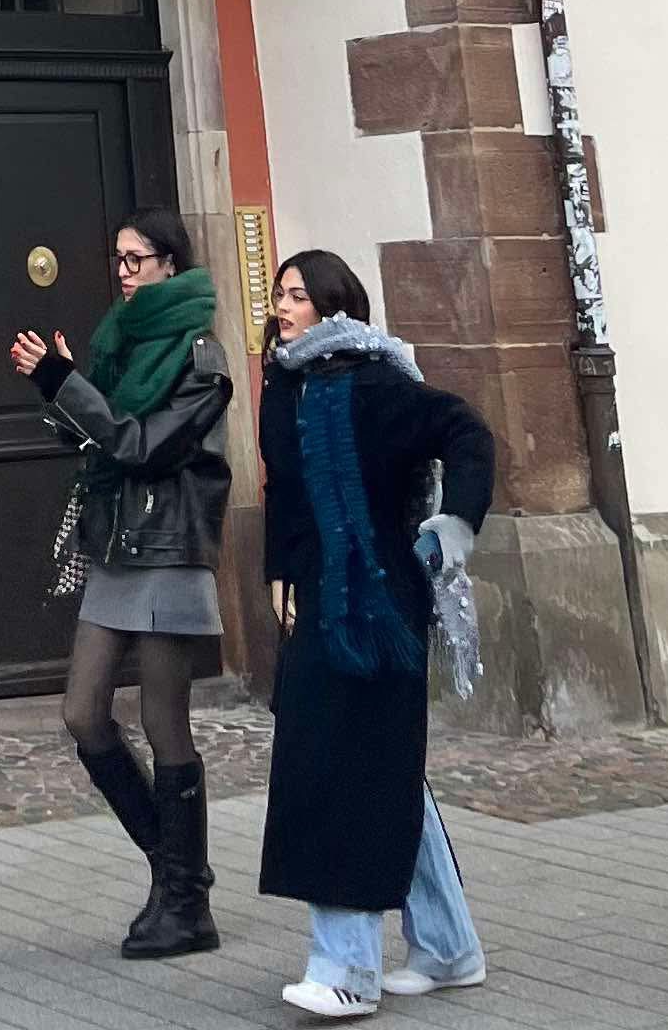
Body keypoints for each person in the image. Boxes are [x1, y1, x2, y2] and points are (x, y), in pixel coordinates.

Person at [257, 249, 495, 1017]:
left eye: (298, 295)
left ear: (334, 305)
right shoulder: (285, 382)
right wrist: (281, 570)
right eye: (279, 292)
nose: (283, 305)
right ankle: (449, 947)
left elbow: (465, 431)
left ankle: (347, 971)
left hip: (381, 603)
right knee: (380, 769)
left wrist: (454, 525)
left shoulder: (373, 381)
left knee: (344, 770)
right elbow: (285, 490)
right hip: (319, 598)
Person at [14, 203, 236, 960]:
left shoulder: (201, 358)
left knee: (164, 721)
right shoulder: (121, 339)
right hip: (116, 543)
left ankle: (185, 903)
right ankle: (176, 869)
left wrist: (68, 384)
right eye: (118, 259)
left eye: (136, 259)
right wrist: (59, 387)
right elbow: (98, 435)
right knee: (83, 712)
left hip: (168, 546)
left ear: (171, 263)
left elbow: (141, 445)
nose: (124, 272)